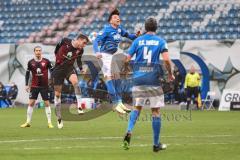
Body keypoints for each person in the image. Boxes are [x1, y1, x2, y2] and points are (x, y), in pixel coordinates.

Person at [122, 17, 174, 152]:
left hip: (138, 79)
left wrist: (128, 70)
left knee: (137, 108)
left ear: (145, 27)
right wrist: (170, 74)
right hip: (153, 80)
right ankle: (156, 144)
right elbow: (167, 60)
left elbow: (126, 59)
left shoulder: (137, 41)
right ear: (156, 28)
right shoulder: (161, 41)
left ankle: (129, 131)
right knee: (155, 111)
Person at [93, 8, 140, 114]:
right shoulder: (106, 29)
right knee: (109, 78)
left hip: (112, 56)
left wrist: (136, 36)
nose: (118, 18)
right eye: (115, 17)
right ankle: (115, 103)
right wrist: (96, 52)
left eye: (118, 17)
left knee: (117, 78)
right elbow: (96, 41)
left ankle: (119, 102)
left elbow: (129, 36)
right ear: (110, 21)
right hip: (104, 56)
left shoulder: (119, 29)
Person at [52, 33, 89, 129]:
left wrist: (81, 68)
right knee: (57, 95)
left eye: (85, 44)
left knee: (76, 83)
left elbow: (79, 60)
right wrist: (56, 55)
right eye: (84, 43)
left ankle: (80, 106)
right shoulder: (65, 41)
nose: (84, 45)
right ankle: (59, 118)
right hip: (58, 69)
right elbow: (57, 46)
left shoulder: (80, 50)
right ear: (79, 39)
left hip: (69, 68)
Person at [20, 46, 54, 128]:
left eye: (39, 50)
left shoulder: (46, 61)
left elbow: (53, 71)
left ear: (41, 51)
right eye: (36, 50)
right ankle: (28, 122)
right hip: (34, 86)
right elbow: (27, 74)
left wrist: (52, 80)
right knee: (31, 103)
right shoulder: (30, 62)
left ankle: (49, 123)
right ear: (34, 52)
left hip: (44, 86)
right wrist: (26, 85)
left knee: (46, 103)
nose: (38, 52)